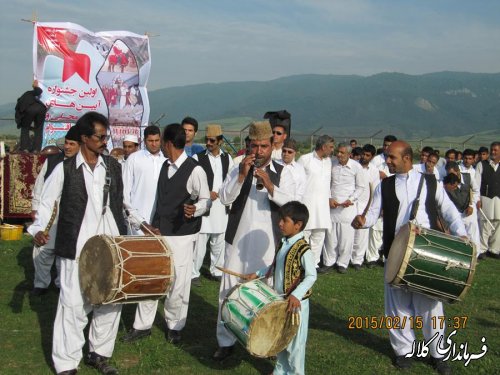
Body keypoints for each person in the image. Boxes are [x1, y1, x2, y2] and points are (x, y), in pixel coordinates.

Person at [352, 141, 466, 375]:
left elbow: (449, 211)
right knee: (397, 307)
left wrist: (462, 234)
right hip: (395, 251)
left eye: (392, 157)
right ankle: (403, 351)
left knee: (430, 307)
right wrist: (362, 222)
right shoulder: (384, 184)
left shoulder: (429, 182)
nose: (388, 161)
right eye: (387, 157)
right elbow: (373, 214)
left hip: (426, 253)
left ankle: (438, 354)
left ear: (406, 158)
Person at [28, 112, 127, 375]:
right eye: (100, 136)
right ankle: (66, 364)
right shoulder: (65, 169)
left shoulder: (114, 167)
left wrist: (141, 226)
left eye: (106, 136)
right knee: (73, 305)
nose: (105, 141)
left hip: (109, 247)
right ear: (84, 138)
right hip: (76, 247)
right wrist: (38, 229)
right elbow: (47, 202)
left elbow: (123, 204)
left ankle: (99, 354)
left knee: (109, 302)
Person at [213, 120, 296, 360]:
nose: (258, 152)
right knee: (228, 291)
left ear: (273, 145)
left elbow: (293, 205)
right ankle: (225, 341)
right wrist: (241, 177)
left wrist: (270, 186)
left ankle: (266, 340)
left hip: (269, 243)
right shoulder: (238, 166)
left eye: (263, 147)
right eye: (254, 146)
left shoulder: (284, 172)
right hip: (236, 241)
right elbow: (225, 199)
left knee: (269, 293)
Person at [121, 123, 209, 345]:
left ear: (168, 143)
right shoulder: (164, 166)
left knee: (178, 282)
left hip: (182, 234)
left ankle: (174, 325)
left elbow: (205, 200)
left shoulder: (195, 169)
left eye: (162, 143)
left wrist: (195, 209)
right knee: (151, 278)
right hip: (158, 231)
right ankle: (142, 325)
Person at [243, 201, 317, 375]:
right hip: (282, 301)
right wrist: (258, 273)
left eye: (285, 221)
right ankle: (280, 371)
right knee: (281, 339)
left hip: (296, 306)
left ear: (298, 225)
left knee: (295, 345)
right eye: (280, 220)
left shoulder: (303, 249)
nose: (280, 224)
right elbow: (277, 266)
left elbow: (311, 275)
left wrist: (296, 295)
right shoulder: (284, 243)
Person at [30, 125, 81, 296]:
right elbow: (39, 187)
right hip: (51, 212)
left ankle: (61, 284)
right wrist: (35, 208)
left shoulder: (85, 164)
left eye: (72, 144)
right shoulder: (52, 162)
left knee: (64, 252)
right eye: (66, 143)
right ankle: (41, 283)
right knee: (43, 249)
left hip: (73, 214)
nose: (67, 147)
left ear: (80, 145)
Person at [192, 124, 234, 285]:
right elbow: (193, 182)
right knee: (200, 244)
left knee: (219, 241)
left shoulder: (227, 158)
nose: (208, 143)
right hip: (204, 207)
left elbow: (230, 180)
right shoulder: (198, 158)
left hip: (222, 207)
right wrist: (206, 192)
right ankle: (193, 273)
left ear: (220, 141)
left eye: (212, 140)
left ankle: (216, 270)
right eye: (207, 140)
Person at [320, 143, 366, 273]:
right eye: (338, 152)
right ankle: (328, 262)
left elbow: (361, 187)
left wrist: (351, 200)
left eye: (342, 153)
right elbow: (326, 183)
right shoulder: (332, 163)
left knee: (346, 237)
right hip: (332, 205)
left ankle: (342, 263)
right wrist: (329, 198)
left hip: (348, 207)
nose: (339, 155)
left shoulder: (356, 166)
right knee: (330, 236)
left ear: (349, 154)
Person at [297, 135, 334, 267]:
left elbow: (327, 182)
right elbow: (298, 182)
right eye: (330, 147)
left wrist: (329, 198)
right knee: (305, 235)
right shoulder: (305, 159)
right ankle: (302, 264)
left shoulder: (328, 161)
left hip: (322, 206)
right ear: (323, 147)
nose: (332, 150)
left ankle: (314, 264)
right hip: (307, 204)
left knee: (319, 236)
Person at [122, 125, 165, 236]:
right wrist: (133, 217)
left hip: (159, 221)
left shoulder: (165, 161)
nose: (154, 144)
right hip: (136, 221)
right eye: (150, 141)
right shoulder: (134, 159)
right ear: (144, 141)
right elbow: (125, 192)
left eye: (156, 140)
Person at [443, 162, 481, 253]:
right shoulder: (445, 182)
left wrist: (471, 205)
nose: (450, 176)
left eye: (452, 174)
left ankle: (475, 255)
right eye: (448, 174)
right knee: (457, 234)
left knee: (473, 235)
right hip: (455, 212)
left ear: (458, 171)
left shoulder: (468, 177)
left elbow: (476, 191)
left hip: (469, 211)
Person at [353, 144, 380, 268]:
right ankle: (345, 259)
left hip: (365, 204)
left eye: (367, 155)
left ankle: (357, 261)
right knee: (349, 233)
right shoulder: (354, 165)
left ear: (372, 157)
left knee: (362, 234)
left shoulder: (374, 170)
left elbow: (375, 189)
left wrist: (373, 206)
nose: (364, 156)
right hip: (352, 203)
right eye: (363, 154)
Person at [475, 141, 500, 259]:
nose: (493, 152)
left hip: (498, 199)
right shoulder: (482, 164)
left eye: (495, 150)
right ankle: (482, 249)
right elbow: (476, 183)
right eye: (492, 149)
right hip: (485, 197)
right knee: (485, 224)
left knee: (498, 224)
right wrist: (477, 198)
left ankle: (494, 249)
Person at [15, 79, 47, 153]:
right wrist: (35, 87)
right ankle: (36, 149)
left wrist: (35, 86)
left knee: (25, 129)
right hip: (41, 109)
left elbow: (20, 121)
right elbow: (39, 91)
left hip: (30, 110)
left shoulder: (20, 104)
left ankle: (25, 148)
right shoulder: (28, 94)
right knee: (38, 129)